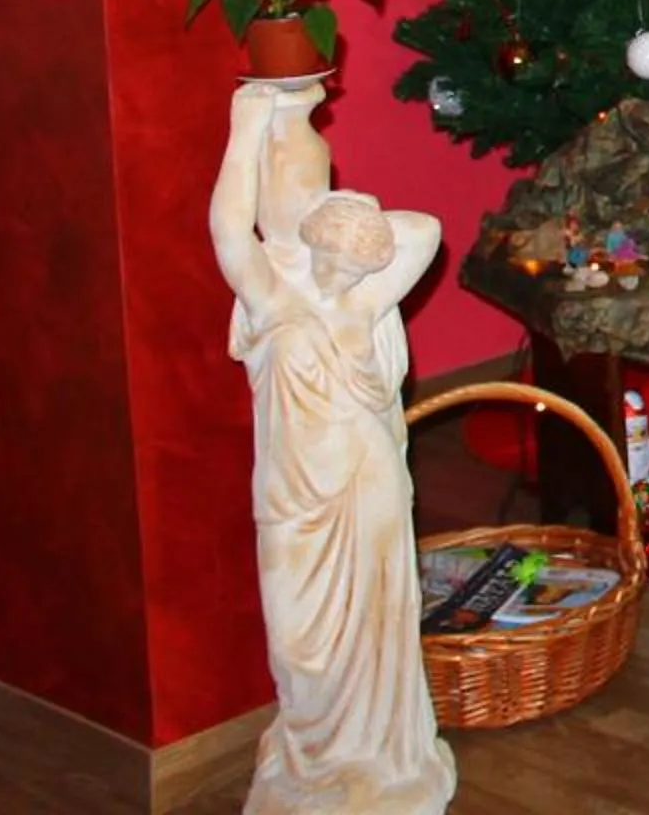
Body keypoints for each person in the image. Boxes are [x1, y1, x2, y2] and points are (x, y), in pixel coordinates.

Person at [212, 83, 455, 814]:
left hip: (364, 486)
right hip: (294, 497)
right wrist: (248, 129)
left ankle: (376, 763)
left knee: (376, 628)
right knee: (299, 646)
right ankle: (319, 763)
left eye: (310, 188)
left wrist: (348, 227)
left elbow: (425, 230)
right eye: (283, 192)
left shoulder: (361, 297)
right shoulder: (269, 295)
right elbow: (227, 231)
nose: (292, 202)